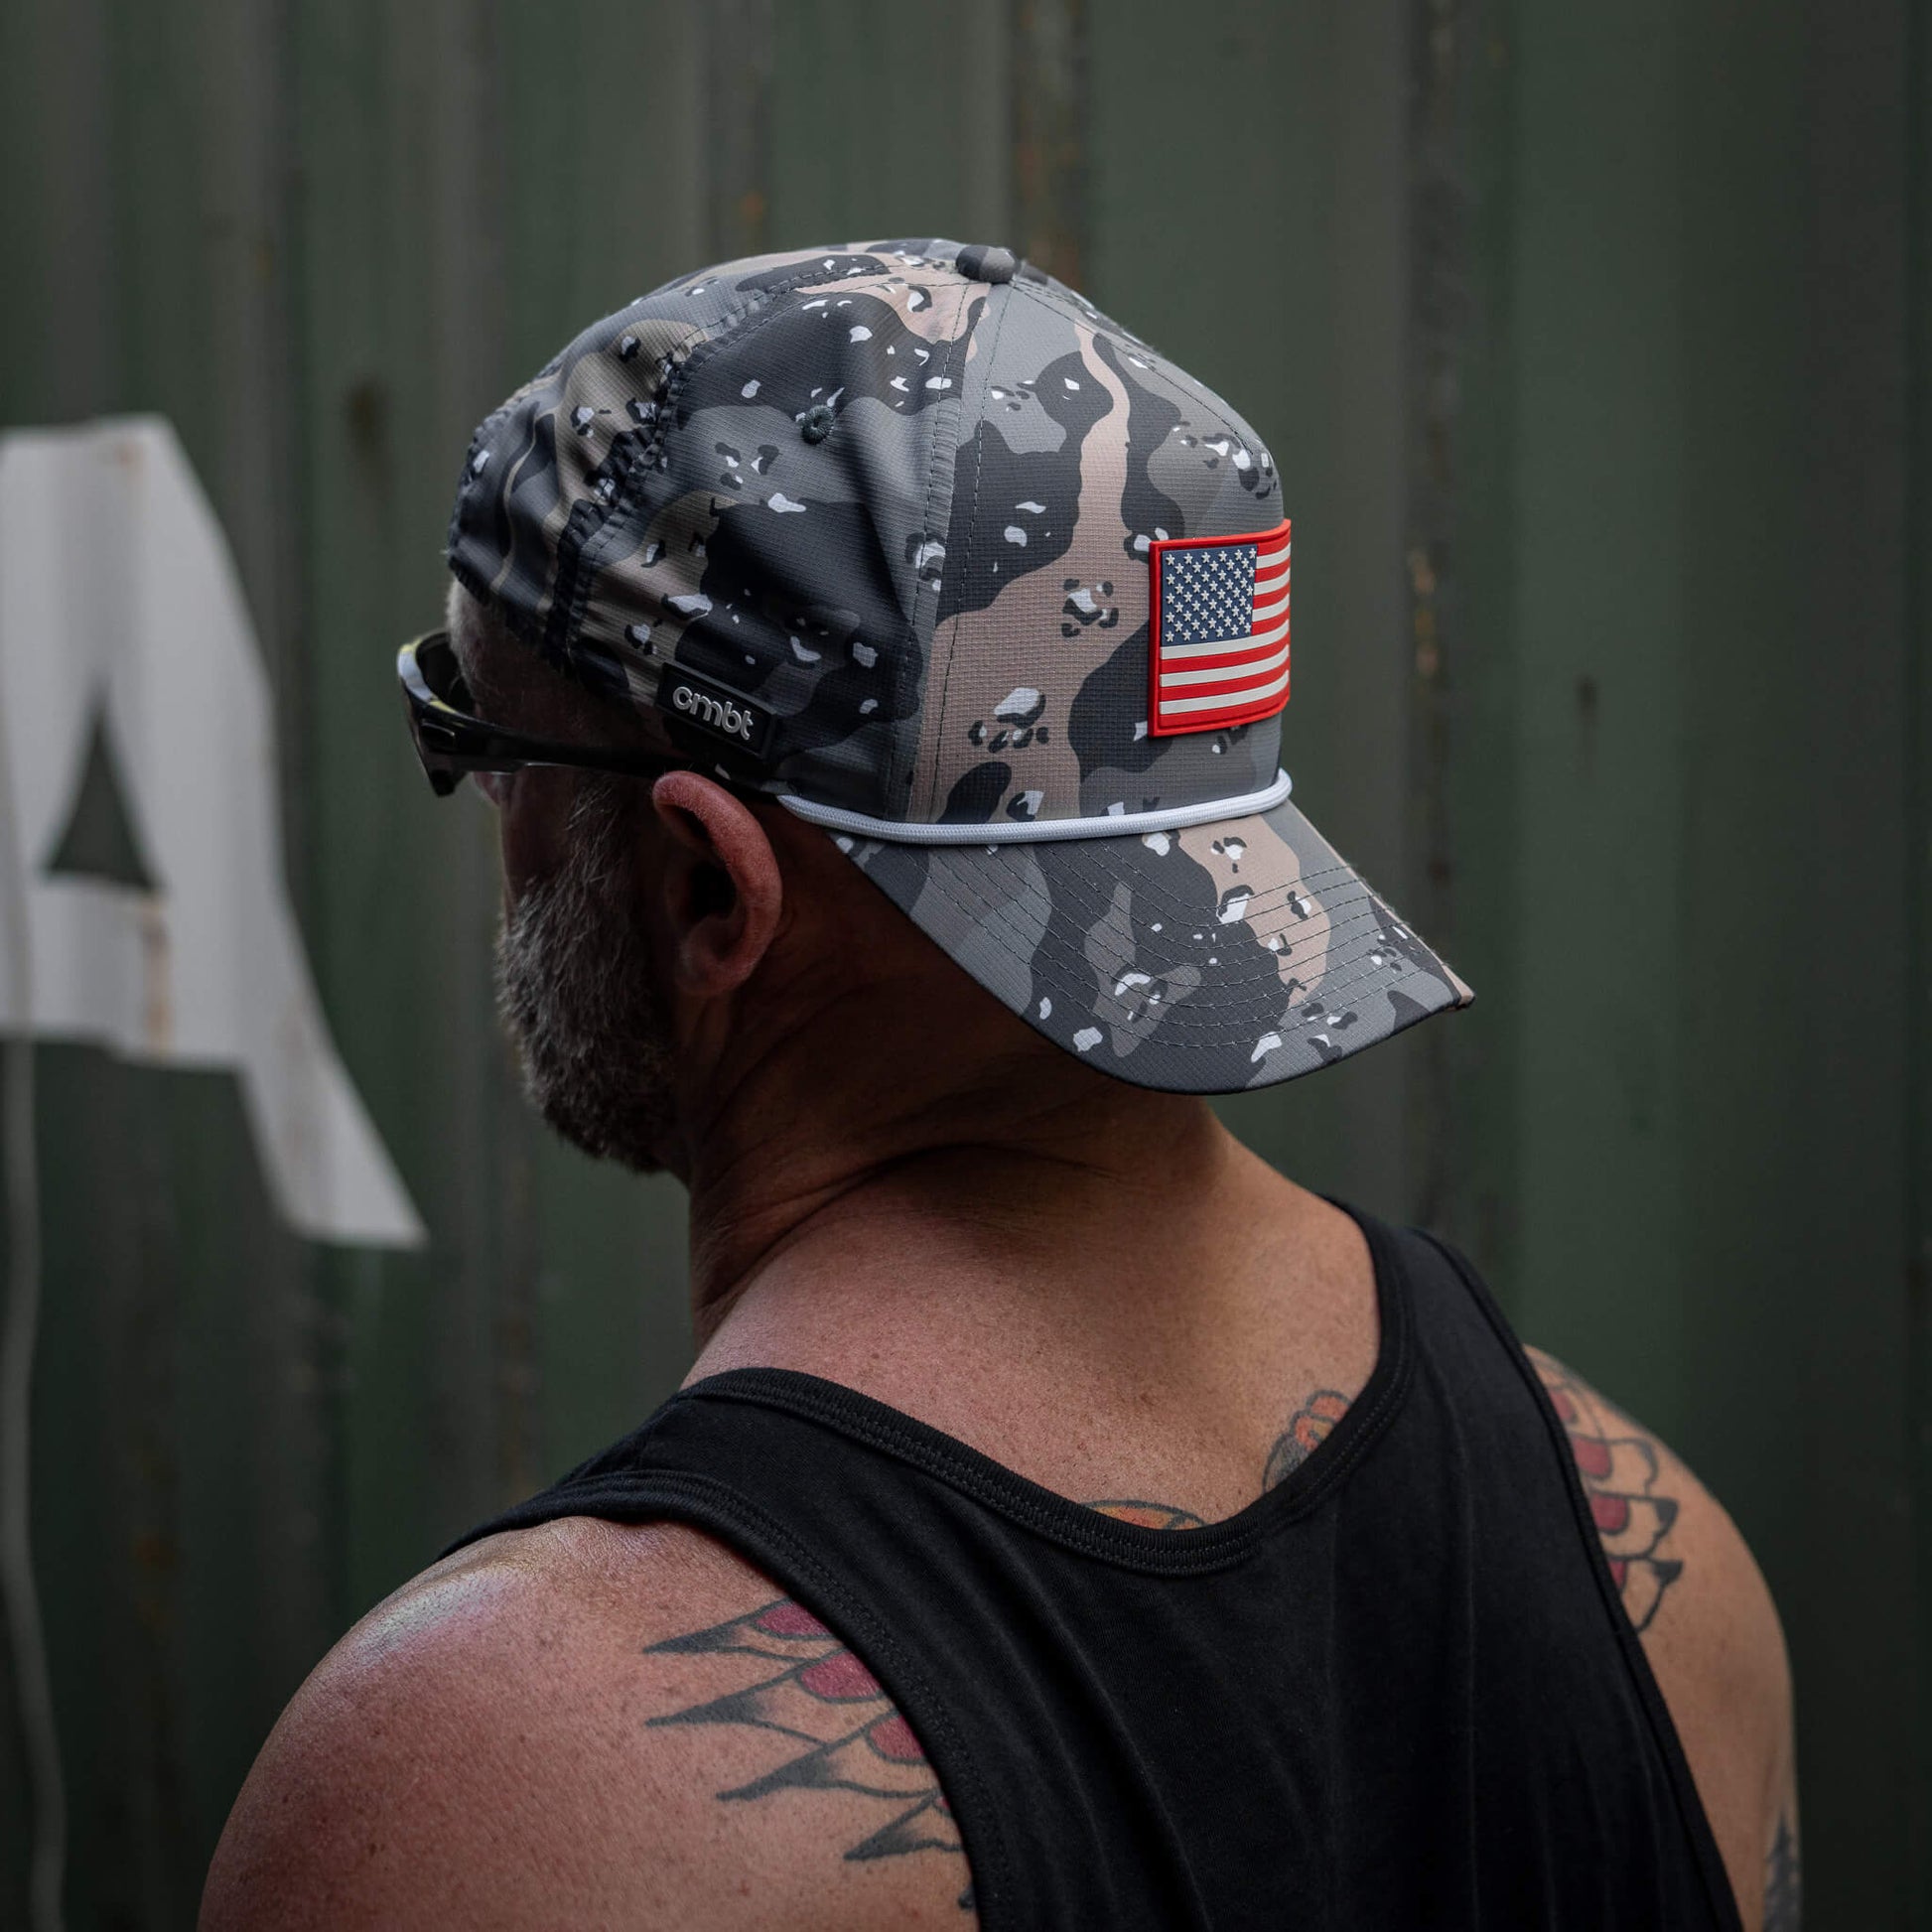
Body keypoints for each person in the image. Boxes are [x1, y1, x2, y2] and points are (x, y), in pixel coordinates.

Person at [202, 240, 1796, 1931]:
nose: (489, 828)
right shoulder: (1655, 1566)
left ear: (705, 886)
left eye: (479, 745)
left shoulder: (496, 1788)